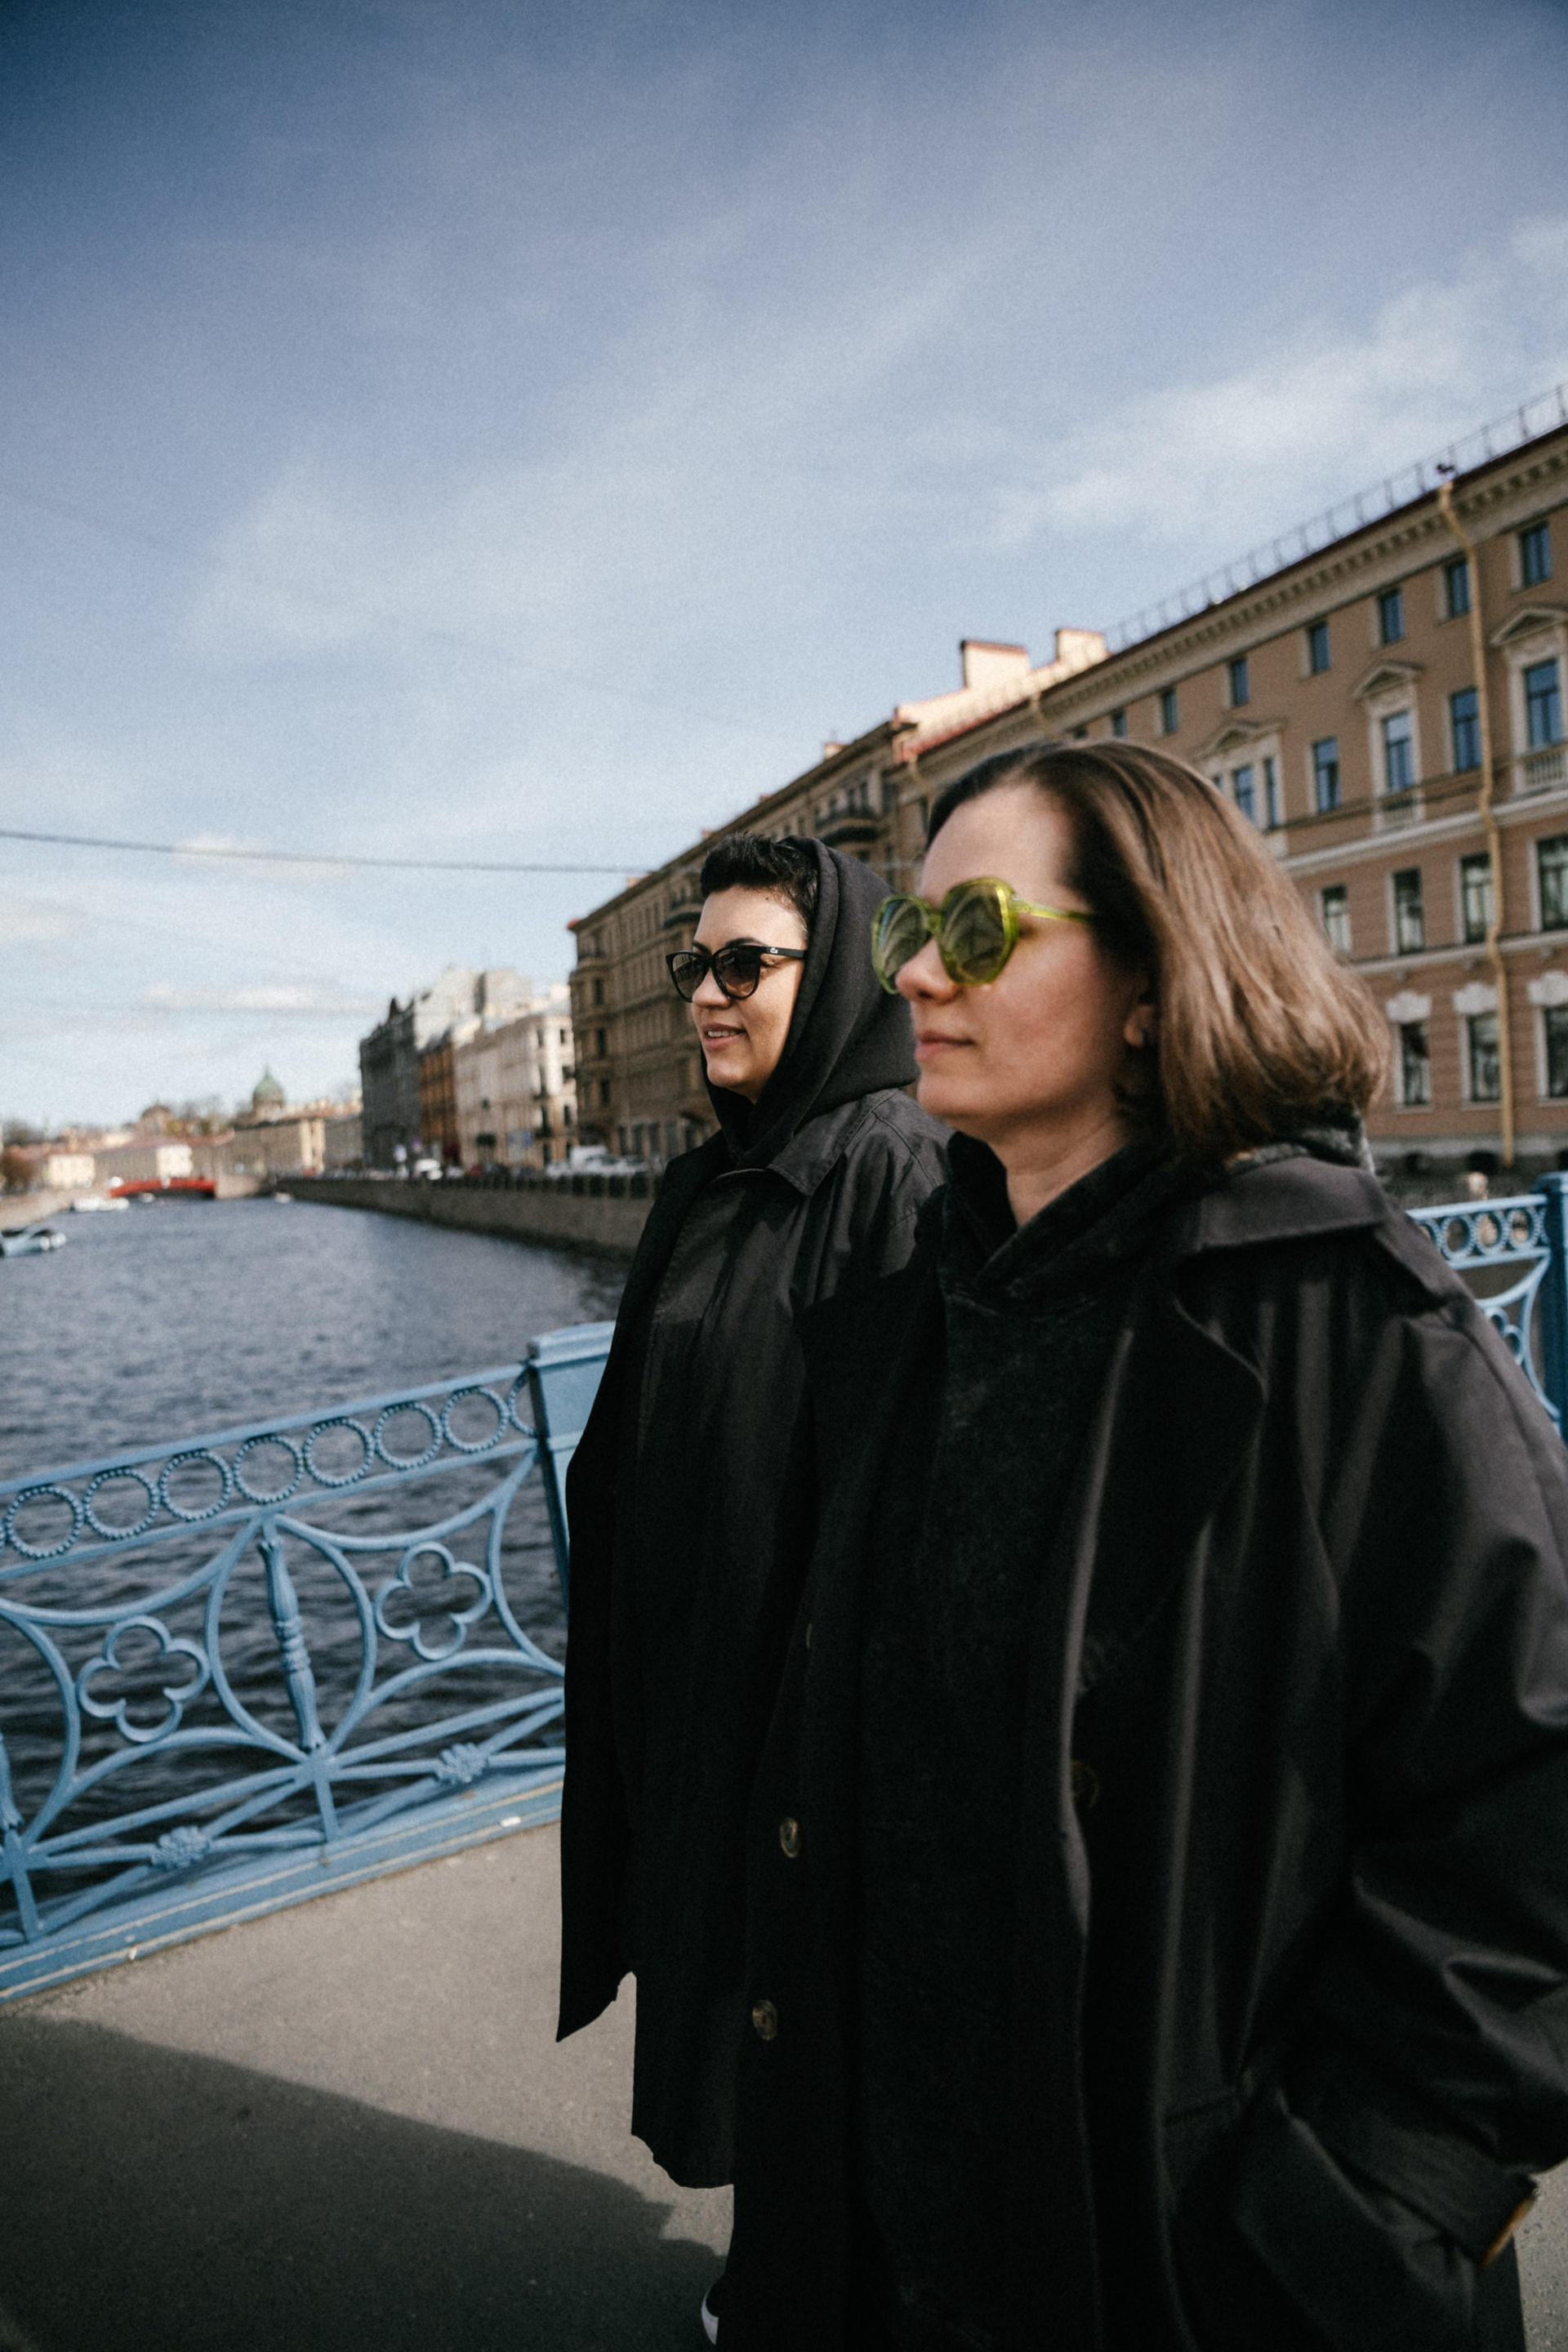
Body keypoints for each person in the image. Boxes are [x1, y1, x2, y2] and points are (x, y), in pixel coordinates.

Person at [725, 743, 1568, 2352]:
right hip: (906, 2242)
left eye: (978, 930)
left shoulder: (1349, 1326)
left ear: (1148, 980)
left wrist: (1366, 2197)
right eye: (910, 927)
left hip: (1197, 2267)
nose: (914, 973)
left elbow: (1529, 1813)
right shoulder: (920, 1319)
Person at [556, 832, 949, 2321]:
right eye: (692, 966)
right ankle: (790, 2274)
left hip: (800, 1705)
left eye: (743, 964)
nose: (705, 995)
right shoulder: (714, 1176)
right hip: (705, 1684)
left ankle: (821, 2295)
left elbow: (897, 1485)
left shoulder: (890, 1169)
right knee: (747, 2007)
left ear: (833, 974)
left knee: (813, 2009)